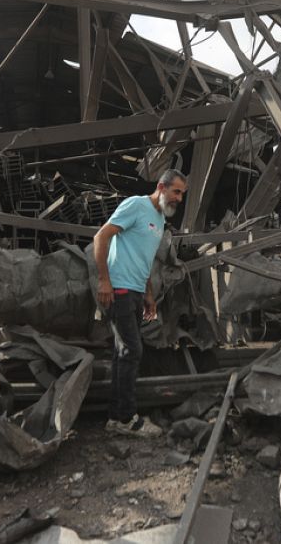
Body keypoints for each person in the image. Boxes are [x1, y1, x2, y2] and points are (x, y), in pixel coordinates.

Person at [93, 169, 187, 437]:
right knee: (132, 351)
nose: (179, 198)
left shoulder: (158, 219)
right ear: (161, 187)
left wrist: (147, 294)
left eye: (182, 194)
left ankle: (116, 417)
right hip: (119, 289)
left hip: (135, 291)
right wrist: (103, 281)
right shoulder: (135, 204)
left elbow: (144, 258)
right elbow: (101, 237)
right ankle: (126, 418)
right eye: (176, 191)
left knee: (123, 354)